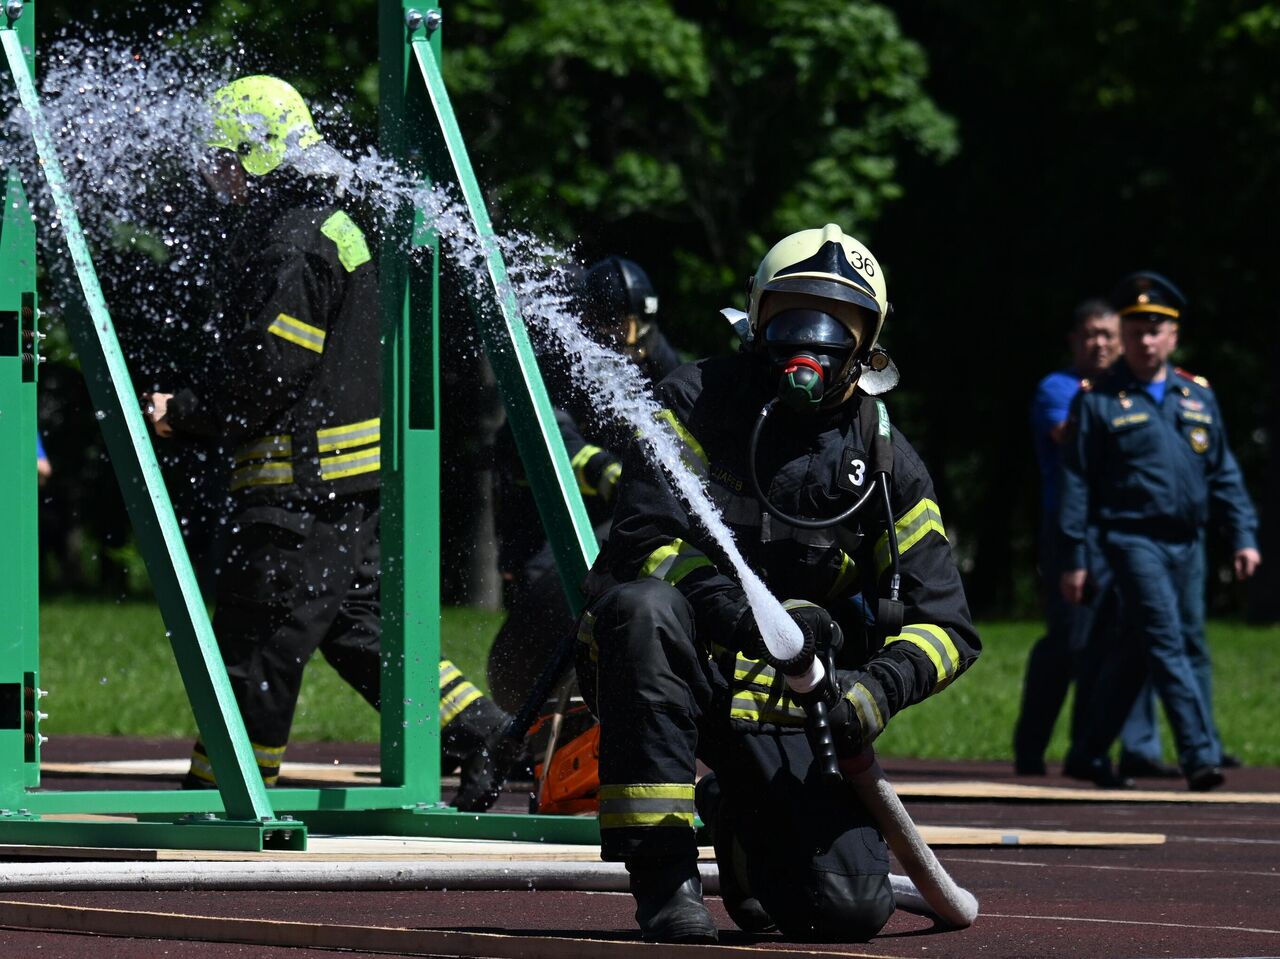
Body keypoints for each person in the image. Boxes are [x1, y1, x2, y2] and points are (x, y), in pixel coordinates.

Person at [574, 225, 980, 942]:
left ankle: (736, 818)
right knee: (643, 607)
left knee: (845, 907)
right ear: (757, 319)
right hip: (678, 667)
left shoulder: (884, 461)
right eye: (792, 317)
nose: (811, 343)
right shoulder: (696, 400)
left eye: (835, 327)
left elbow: (948, 625)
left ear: (868, 343)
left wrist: (876, 687)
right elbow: (645, 539)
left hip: (791, 704)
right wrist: (740, 612)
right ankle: (665, 880)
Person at [141, 75, 507, 810]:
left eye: (228, 159)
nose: (222, 177)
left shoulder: (293, 242)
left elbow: (268, 370)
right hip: (345, 486)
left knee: (257, 643)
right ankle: (482, 729)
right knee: (360, 630)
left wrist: (183, 410)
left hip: (299, 487)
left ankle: (229, 796)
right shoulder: (334, 222)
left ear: (262, 152)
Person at [1058, 271, 1261, 792]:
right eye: (1137, 329)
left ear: (1173, 336)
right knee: (1167, 641)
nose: (1146, 340)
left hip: (1187, 544)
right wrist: (1075, 555)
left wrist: (1243, 535)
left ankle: (1087, 752)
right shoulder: (1099, 399)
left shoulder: (1197, 397)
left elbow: (1224, 473)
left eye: (1157, 330)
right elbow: (1077, 482)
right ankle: (1199, 756)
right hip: (1131, 540)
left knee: (1144, 648)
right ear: (1124, 335)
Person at [487, 255, 681, 714]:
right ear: (592, 322)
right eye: (621, 326)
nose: (633, 341)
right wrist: (611, 472)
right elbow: (551, 436)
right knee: (544, 590)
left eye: (640, 326)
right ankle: (531, 716)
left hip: (607, 512)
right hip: (542, 506)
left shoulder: (652, 351)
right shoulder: (559, 355)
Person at [1014, 301, 1176, 784]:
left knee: (1123, 640)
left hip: (1125, 534)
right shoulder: (1060, 389)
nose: (1100, 344)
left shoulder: (1128, 394)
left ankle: (1092, 752)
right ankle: (1031, 746)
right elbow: (1071, 436)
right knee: (1072, 641)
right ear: (1074, 341)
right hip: (1072, 533)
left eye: (1108, 334)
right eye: (1090, 335)